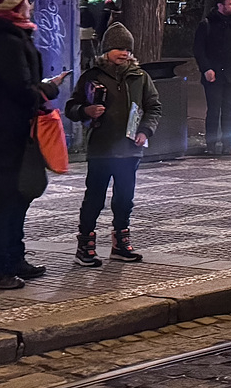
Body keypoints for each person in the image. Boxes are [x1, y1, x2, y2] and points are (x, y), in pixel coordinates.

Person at [0, 0, 64, 290]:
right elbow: (19, 89)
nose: (31, 4)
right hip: (3, 133)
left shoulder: (9, 34)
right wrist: (49, 87)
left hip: (10, 130)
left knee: (18, 196)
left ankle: (13, 257)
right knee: (2, 201)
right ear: (14, 4)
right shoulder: (5, 41)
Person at [64, 24, 161, 266]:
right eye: (118, 48)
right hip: (101, 149)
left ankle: (120, 243)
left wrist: (145, 130)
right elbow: (71, 107)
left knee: (124, 198)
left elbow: (154, 106)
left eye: (127, 49)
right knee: (94, 198)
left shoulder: (140, 77)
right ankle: (85, 245)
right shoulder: (92, 76)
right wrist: (86, 110)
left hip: (129, 150)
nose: (123, 53)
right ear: (107, 50)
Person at [192, 0, 231, 155]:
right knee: (213, 110)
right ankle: (211, 145)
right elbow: (199, 49)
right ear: (220, 6)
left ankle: (227, 145)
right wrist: (206, 69)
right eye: (230, 4)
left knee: (228, 110)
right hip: (214, 75)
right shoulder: (207, 24)